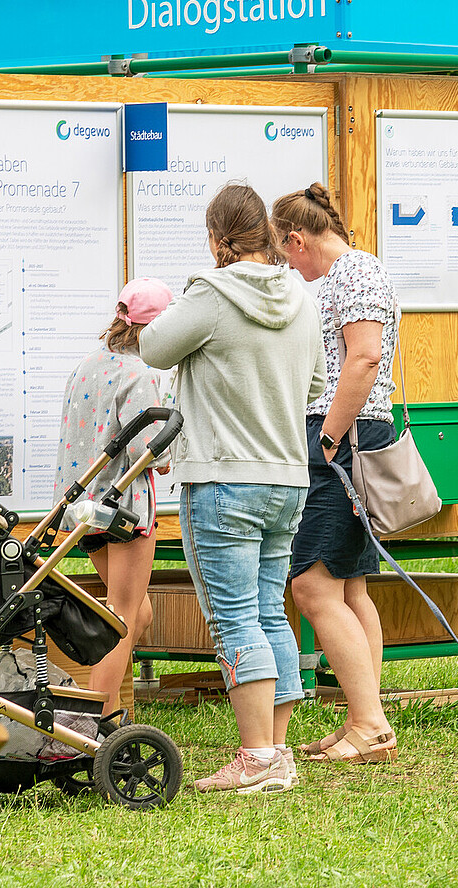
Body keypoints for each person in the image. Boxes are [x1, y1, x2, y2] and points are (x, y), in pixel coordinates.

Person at [140, 183, 326, 794]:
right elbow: (318, 385)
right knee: (271, 610)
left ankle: (255, 756)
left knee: (234, 618)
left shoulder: (212, 294)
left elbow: (152, 346)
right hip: (287, 479)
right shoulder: (301, 298)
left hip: (223, 479)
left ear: (218, 239)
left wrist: (200, 280)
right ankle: (274, 752)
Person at [271, 183, 399, 763]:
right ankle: (362, 718)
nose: (289, 268)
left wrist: (327, 435)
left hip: (341, 435)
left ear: (298, 240)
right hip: (344, 433)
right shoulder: (350, 274)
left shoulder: (353, 273)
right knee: (349, 585)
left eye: (285, 255)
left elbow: (364, 357)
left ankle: (370, 725)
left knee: (311, 585)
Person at [53, 277, 173, 717]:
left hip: (85, 510)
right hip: (124, 510)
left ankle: (107, 711)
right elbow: (150, 454)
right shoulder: (138, 375)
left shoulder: (87, 365)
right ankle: (96, 721)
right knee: (122, 616)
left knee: (136, 613)